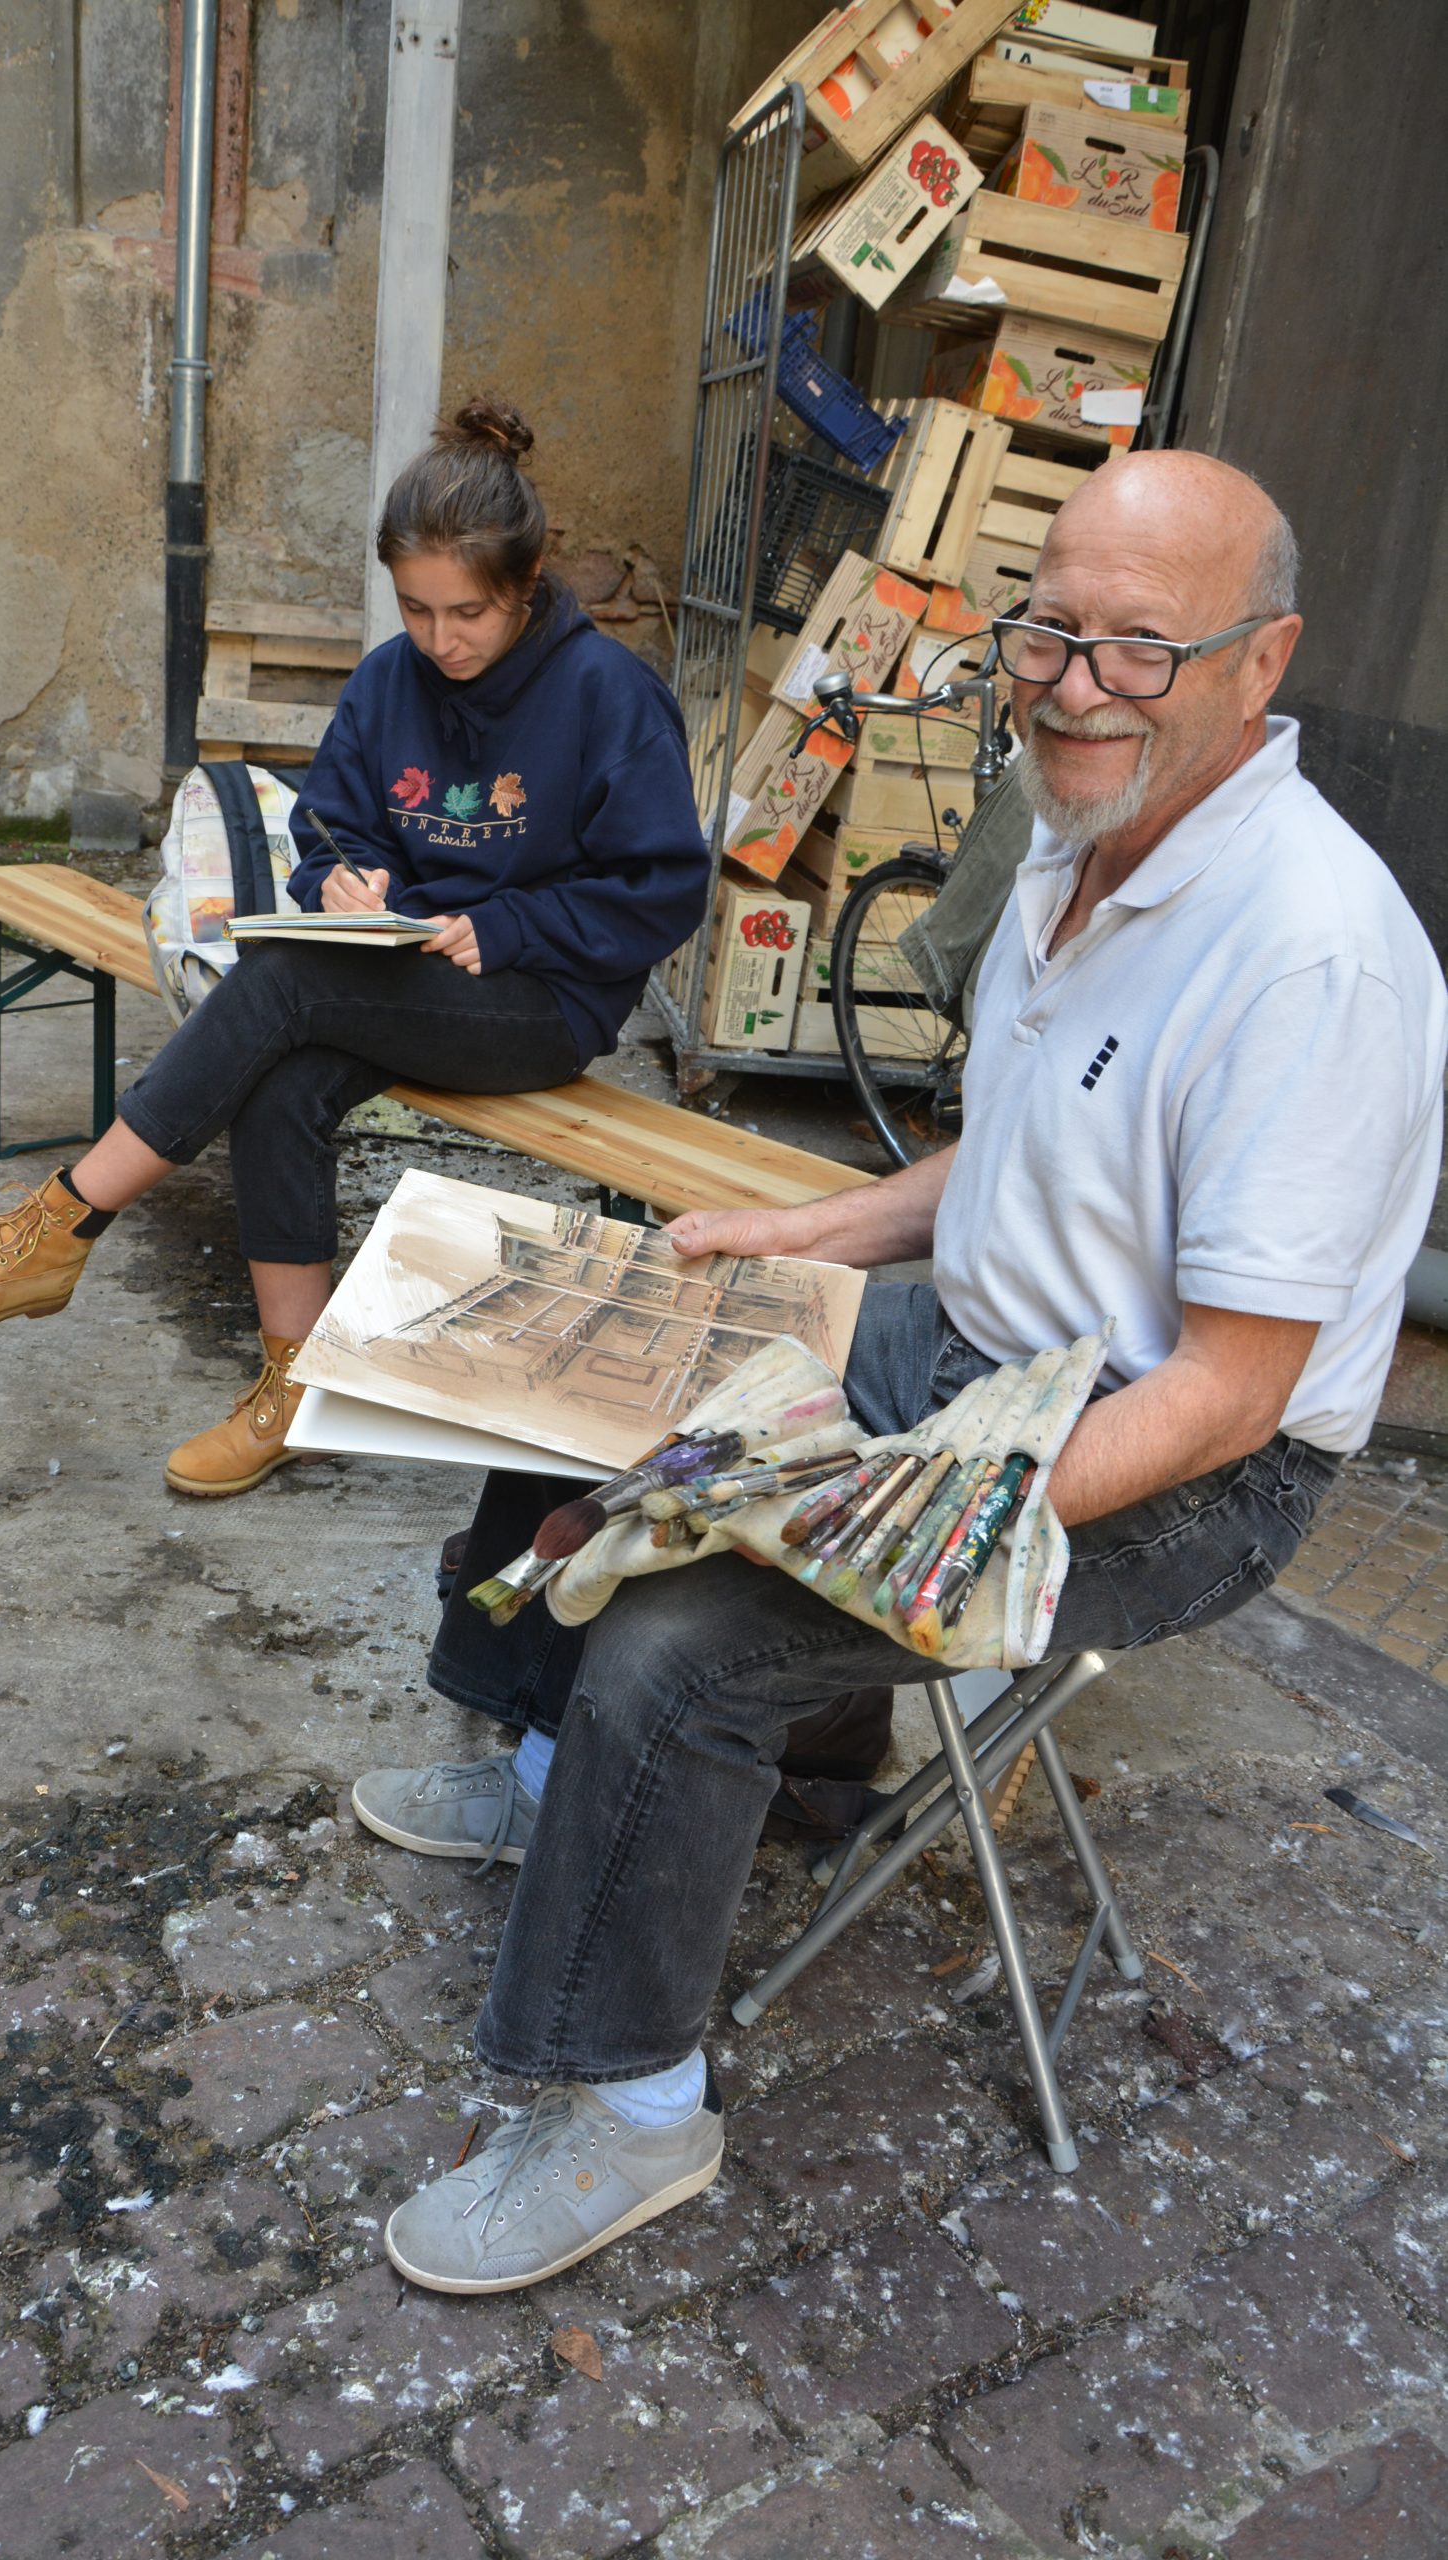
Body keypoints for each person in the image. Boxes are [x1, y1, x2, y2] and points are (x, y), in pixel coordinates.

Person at [350, 450, 1448, 2296]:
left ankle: (628, 2110)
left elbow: (1235, 1396)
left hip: (1168, 1463)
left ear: (1261, 665)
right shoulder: (1073, 837)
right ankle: (554, 1777)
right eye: (1046, 629)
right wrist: (800, 1242)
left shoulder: (1314, 959)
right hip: (978, 1334)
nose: (1071, 680)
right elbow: (1017, 1163)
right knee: (597, 1357)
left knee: (685, 1638)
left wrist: (900, 1517)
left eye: (1135, 647)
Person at [0, 399, 709, 1495]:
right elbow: (331, 826)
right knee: (284, 1080)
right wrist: (344, 881)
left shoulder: (609, 696)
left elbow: (663, 889)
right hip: (392, 974)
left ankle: (60, 1224)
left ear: (528, 581)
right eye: (415, 609)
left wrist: (508, 923)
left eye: (468, 613)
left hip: (540, 1001)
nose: (440, 640)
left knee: (284, 985)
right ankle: (298, 1388)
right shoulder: (386, 679)